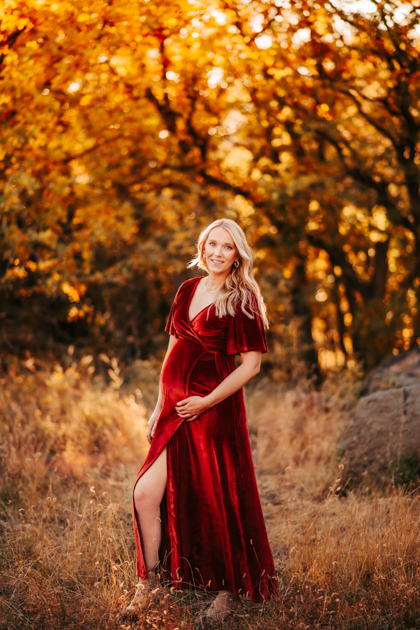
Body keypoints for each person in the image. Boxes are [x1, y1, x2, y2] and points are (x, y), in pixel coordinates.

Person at [125, 218, 278, 621]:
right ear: (202, 245)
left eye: (227, 247)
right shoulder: (187, 289)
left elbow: (251, 366)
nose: (217, 252)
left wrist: (206, 401)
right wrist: (160, 405)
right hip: (174, 409)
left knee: (217, 498)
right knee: (145, 493)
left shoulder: (242, 297)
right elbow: (173, 347)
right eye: (212, 244)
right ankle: (149, 585)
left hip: (213, 412)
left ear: (237, 254)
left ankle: (227, 591)